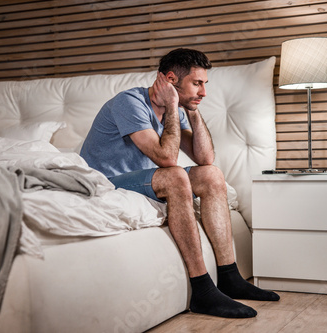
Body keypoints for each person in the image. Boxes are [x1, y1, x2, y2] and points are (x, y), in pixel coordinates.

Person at [80, 48, 279, 318]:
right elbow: (166, 157)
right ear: (171, 79)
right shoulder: (130, 102)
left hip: (145, 179)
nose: (204, 92)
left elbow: (205, 157)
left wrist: (192, 110)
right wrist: (175, 106)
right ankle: (202, 290)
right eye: (197, 84)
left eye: (204, 84)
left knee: (212, 174)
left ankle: (229, 276)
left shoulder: (178, 109)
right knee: (175, 176)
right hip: (107, 183)